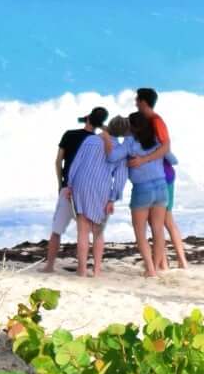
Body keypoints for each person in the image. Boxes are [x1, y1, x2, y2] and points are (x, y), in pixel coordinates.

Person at [118, 110, 184, 277]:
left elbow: (113, 156)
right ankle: (156, 265)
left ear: (132, 128)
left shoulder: (129, 142)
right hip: (161, 187)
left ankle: (151, 269)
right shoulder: (156, 139)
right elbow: (173, 160)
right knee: (158, 230)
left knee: (140, 232)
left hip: (143, 189)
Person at [44, 106, 111, 272]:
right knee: (94, 232)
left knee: (57, 230)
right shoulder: (98, 142)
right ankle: (95, 269)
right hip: (91, 191)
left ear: (88, 117)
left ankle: (49, 266)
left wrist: (61, 183)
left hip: (68, 188)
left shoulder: (70, 134)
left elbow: (58, 161)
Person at [61, 118, 125, 276]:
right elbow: (120, 178)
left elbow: (76, 163)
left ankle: (82, 270)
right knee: (98, 232)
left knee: (82, 231)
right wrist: (113, 198)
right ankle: (96, 271)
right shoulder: (121, 149)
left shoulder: (90, 140)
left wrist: (69, 184)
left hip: (81, 184)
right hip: (101, 188)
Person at [135, 86, 175, 190]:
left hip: (164, 176)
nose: (136, 104)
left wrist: (143, 160)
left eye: (137, 100)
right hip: (153, 177)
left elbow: (166, 147)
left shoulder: (156, 121)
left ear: (143, 102)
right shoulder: (143, 121)